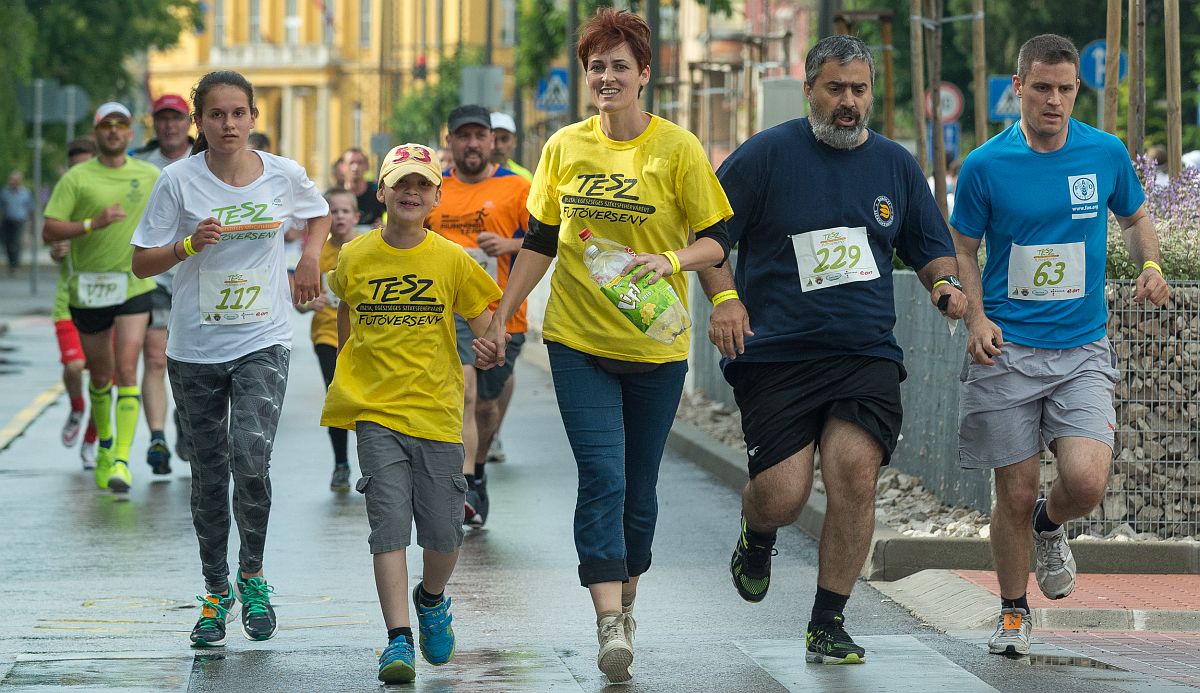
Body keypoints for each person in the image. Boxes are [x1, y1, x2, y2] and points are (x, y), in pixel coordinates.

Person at [477, 9, 733, 683]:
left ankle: (627, 598)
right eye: (598, 67)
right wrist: (505, 311)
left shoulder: (676, 149)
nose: (609, 76)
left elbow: (717, 242)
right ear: (586, 77)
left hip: (656, 345)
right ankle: (607, 618)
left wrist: (673, 261)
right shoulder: (563, 147)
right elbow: (539, 241)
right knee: (604, 477)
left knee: (639, 492)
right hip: (577, 338)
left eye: (621, 65)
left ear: (645, 74)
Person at [699, 34, 966, 666]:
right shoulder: (765, 156)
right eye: (836, 89)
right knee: (785, 495)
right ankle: (757, 531)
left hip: (863, 351)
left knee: (854, 476)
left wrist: (945, 284)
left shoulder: (895, 165)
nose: (848, 102)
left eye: (859, 90)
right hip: (777, 354)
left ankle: (829, 621)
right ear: (810, 89)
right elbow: (708, 235)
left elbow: (929, 244)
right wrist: (725, 300)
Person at [950, 34, 1169, 658]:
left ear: (1078, 90)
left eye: (1065, 89)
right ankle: (1014, 613)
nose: (1053, 100)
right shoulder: (985, 165)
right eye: (1041, 87)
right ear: (1017, 87)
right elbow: (964, 247)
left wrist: (1150, 264)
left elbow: (1134, 218)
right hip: (1010, 350)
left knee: (1087, 481)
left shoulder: (1103, 152)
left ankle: (1050, 526)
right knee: (1013, 491)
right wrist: (977, 320)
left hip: (1081, 347)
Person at [131, 70, 331, 648]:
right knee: (209, 471)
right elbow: (142, 262)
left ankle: (254, 575)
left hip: (262, 339)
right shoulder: (177, 181)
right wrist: (187, 245)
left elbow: (316, 213)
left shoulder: (282, 174)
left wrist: (310, 258)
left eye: (238, 113)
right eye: (216, 115)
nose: (228, 125)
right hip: (194, 348)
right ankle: (215, 591)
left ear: (253, 118)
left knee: (251, 456)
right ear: (200, 122)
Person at [320, 143, 502, 684]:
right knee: (389, 527)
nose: (411, 193)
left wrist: (489, 343)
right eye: (401, 184)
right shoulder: (355, 255)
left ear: (435, 197)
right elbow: (346, 315)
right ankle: (397, 641)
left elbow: (484, 315)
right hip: (376, 413)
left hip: (437, 411)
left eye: (422, 185)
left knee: (445, 533)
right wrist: (352, 376)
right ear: (382, 192)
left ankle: (432, 597)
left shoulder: (450, 258)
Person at [43, 102, 161, 493]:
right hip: (88, 289)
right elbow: (49, 230)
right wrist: (93, 223)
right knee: (101, 375)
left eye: (121, 125)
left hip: (133, 285)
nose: (113, 131)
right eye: (106, 125)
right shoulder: (77, 178)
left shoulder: (148, 174)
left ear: (131, 133)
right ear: (96, 133)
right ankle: (105, 441)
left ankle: (122, 459)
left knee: (128, 369)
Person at [427, 104, 531, 526]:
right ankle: (461, 484)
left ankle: (479, 469)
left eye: (479, 136)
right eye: (462, 136)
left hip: (502, 315)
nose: (471, 144)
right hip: (443, 313)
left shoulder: (519, 188)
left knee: (486, 406)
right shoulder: (434, 188)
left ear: (492, 141)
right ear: (449, 142)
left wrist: (509, 247)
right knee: (464, 395)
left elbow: (550, 246)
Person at [134, 93, 195, 475]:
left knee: (190, 362)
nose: (169, 126)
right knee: (155, 357)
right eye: (162, 119)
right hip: (157, 275)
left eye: (176, 118)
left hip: (199, 274)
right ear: (154, 124)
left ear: (188, 123)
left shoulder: (207, 160)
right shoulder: (140, 164)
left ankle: (185, 422)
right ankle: (156, 437)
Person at [296, 188, 359, 491]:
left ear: (356, 217)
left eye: (345, 211)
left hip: (363, 337)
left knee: (365, 400)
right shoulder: (317, 254)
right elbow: (299, 300)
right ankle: (341, 464)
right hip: (326, 334)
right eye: (333, 211)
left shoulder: (367, 248)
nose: (339, 216)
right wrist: (310, 303)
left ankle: (373, 465)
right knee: (336, 396)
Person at [49, 138, 99, 468]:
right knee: (74, 366)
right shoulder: (64, 200)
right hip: (69, 302)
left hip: (109, 302)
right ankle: (77, 405)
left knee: (103, 380)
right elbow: (52, 241)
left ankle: (93, 441)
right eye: (75, 166)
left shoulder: (108, 200)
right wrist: (56, 251)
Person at [338, 148, 387, 226]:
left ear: (367, 166)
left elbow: (396, 215)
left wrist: (386, 227)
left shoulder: (378, 192)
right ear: (343, 167)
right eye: (351, 163)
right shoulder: (336, 196)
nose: (355, 167)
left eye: (359, 163)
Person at [2, 170, 34, 273]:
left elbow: (30, 208)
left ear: (19, 181)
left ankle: (15, 264)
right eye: (11, 180)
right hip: (7, 220)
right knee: (7, 242)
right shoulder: (4, 191)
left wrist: (30, 222)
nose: (12, 182)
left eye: (14, 180)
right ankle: (11, 263)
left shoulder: (25, 192)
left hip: (19, 220)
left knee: (15, 242)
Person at [488, 112, 534, 181]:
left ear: (514, 141)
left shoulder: (525, 177)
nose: (498, 146)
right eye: (493, 139)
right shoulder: (474, 176)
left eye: (504, 139)